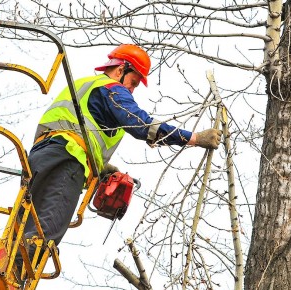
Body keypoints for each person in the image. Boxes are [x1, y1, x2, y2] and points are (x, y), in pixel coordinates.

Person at [14, 44, 221, 283]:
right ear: (121, 69)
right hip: (68, 161)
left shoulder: (84, 85)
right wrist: (194, 139)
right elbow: (141, 124)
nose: (132, 90)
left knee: (21, 231)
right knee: (46, 232)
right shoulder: (111, 89)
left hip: (40, 158)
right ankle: (12, 283)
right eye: (133, 82)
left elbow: (74, 126)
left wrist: (99, 167)